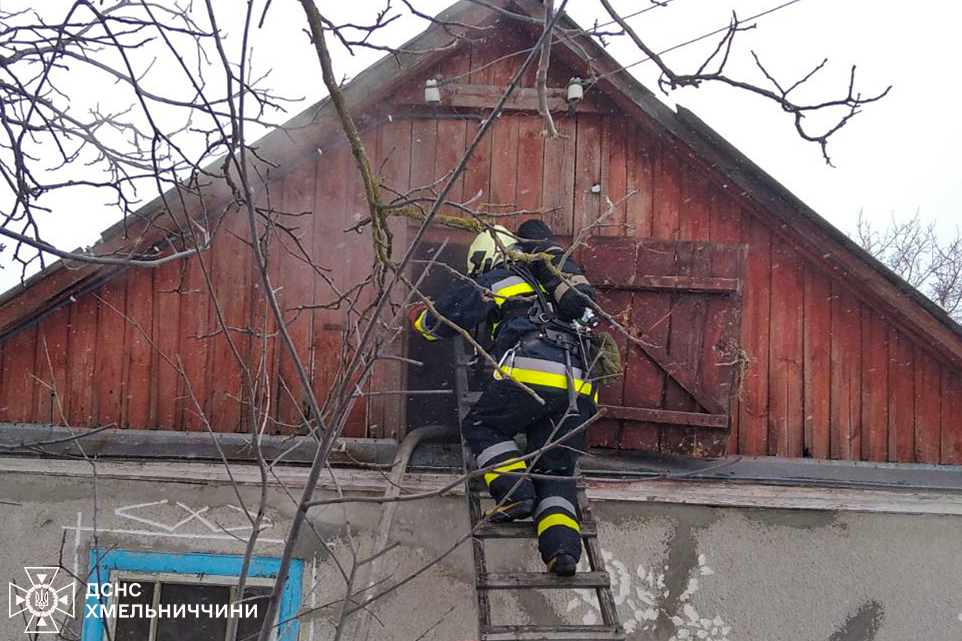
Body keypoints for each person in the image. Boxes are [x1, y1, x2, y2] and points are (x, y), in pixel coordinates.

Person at [409, 219, 598, 577]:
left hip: (530, 376)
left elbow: (446, 317)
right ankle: (562, 551)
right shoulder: (558, 292)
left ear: (486, 259)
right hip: (579, 390)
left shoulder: (503, 278)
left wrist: (419, 319)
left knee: (483, 427)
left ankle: (514, 495)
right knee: (555, 474)